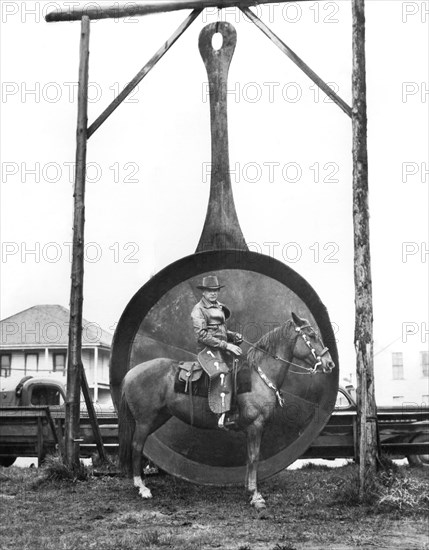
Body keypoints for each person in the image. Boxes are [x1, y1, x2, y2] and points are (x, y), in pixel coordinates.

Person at [191, 275, 242, 429]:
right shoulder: (198, 309)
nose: (213, 293)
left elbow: (221, 329)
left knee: (241, 368)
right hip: (207, 350)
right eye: (209, 290)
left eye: (215, 290)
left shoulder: (219, 306)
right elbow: (202, 334)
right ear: (203, 292)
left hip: (221, 347)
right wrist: (227, 345)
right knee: (222, 372)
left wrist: (233, 336)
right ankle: (222, 416)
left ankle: (236, 408)